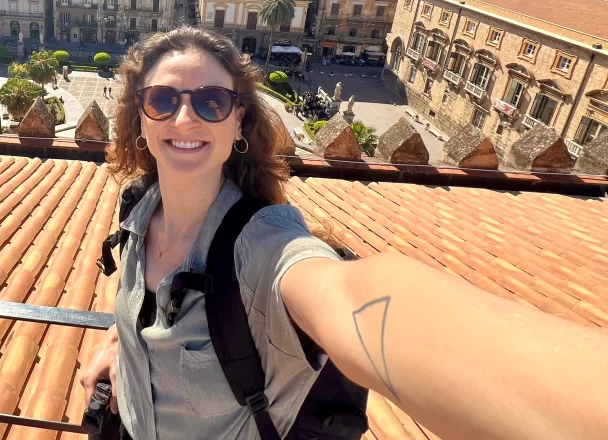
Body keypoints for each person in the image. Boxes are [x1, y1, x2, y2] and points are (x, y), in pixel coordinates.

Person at [80, 26, 608, 440]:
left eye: (211, 101)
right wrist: (120, 345)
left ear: (238, 120)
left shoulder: (265, 248)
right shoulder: (138, 211)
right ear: (140, 120)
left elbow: (349, 297)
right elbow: (138, 300)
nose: (186, 117)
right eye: (164, 101)